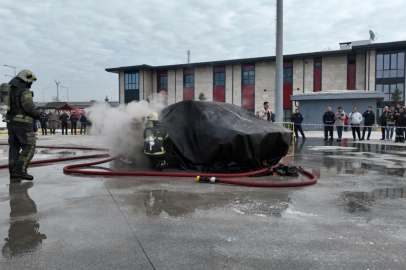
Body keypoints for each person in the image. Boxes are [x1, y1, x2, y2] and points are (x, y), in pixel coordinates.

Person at [5, 70, 40, 181]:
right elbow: (29, 107)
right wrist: (37, 114)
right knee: (29, 146)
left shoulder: (10, 92)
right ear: (25, 78)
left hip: (11, 124)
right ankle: (20, 170)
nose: (31, 83)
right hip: (24, 124)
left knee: (14, 148)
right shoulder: (25, 91)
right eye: (30, 81)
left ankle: (13, 172)